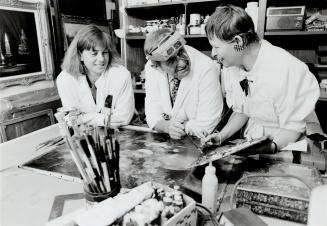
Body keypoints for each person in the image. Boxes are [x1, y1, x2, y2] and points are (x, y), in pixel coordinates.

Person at [202, 5, 320, 153]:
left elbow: (294, 127)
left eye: (216, 47)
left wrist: (271, 147)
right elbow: (243, 109)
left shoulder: (287, 68)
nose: (213, 53)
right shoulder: (232, 65)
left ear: (238, 42)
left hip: (286, 148)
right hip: (254, 143)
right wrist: (221, 136)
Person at [143, 29, 224, 139]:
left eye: (181, 52)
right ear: (157, 67)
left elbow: (208, 124)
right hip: (171, 141)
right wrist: (166, 126)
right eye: (170, 60)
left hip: (198, 141)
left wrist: (176, 127)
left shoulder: (206, 68)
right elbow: (152, 111)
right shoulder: (151, 68)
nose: (182, 62)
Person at [56, 25, 134, 127]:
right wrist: (100, 119)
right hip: (85, 136)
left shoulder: (121, 75)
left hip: (120, 133)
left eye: (105, 52)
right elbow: (71, 119)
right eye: (94, 53)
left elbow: (123, 119)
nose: (101, 59)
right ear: (81, 55)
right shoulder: (65, 79)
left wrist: (85, 118)